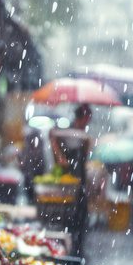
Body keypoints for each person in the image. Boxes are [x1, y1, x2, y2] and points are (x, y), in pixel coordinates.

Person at [50, 104, 93, 249]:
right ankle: (71, 240)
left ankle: (77, 241)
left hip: (79, 177)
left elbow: (85, 154)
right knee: (69, 210)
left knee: (80, 211)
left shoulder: (83, 133)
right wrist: (60, 156)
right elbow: (53, 137)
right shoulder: (67, 131)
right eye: (87, 117)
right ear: (83, 117)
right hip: (68, 176)